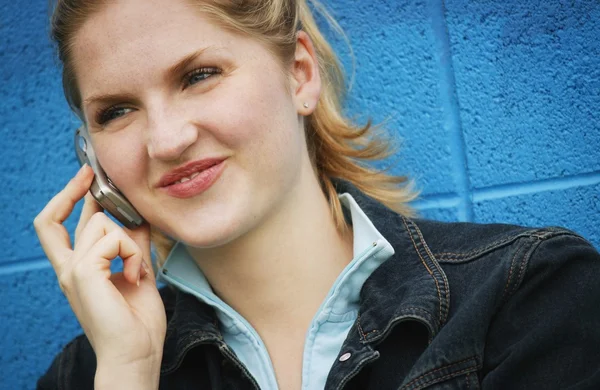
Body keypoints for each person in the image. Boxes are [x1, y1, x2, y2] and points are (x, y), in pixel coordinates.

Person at [34, 0, 600, 389]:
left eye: (199, 75)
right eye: (117, 111)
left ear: (300, 74)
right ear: (92, 156)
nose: (166, 139)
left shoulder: (528, 295)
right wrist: (132, 371)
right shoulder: (90, 373)